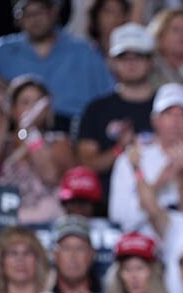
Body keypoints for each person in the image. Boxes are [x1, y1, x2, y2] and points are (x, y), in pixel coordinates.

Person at [0, 0, 116, 132]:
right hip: (16, 131)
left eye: (41, 10)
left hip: (71, 132)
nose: (35, 19)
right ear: (17, 17)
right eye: (27, 13)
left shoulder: (85, 52)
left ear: (55, 11)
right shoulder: (2, 50)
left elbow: (110, 96)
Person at [108, 82, 183, 234]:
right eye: (168, 113)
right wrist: (161, 181)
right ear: (155, 120)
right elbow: (121, 216)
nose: (176, 121)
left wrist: (182, 179)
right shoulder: (131, 159)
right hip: (142, 243)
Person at [76, 22, 156, 217]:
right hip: (105, 208)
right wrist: (119, 149)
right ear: (112, 62)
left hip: (159, 206)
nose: (131, 63)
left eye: (138, 56)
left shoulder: (168, 108)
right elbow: (86, 165)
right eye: (123, 57)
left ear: (151, 61)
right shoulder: (97, 109)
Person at [0, 74, 74, 224]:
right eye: (25, 102)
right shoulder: (3, 141)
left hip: (46, 223)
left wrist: (30, 130)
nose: (32, 108)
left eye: (37, 102)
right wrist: (3, 114)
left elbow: (50, 176)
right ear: (13, 108)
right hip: (1, 223)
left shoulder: (59, 141)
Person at [49, 214, 101, 293]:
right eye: (66, 248)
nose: (73, 256)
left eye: (80, 248)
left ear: (92, 254)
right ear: (54, 255)